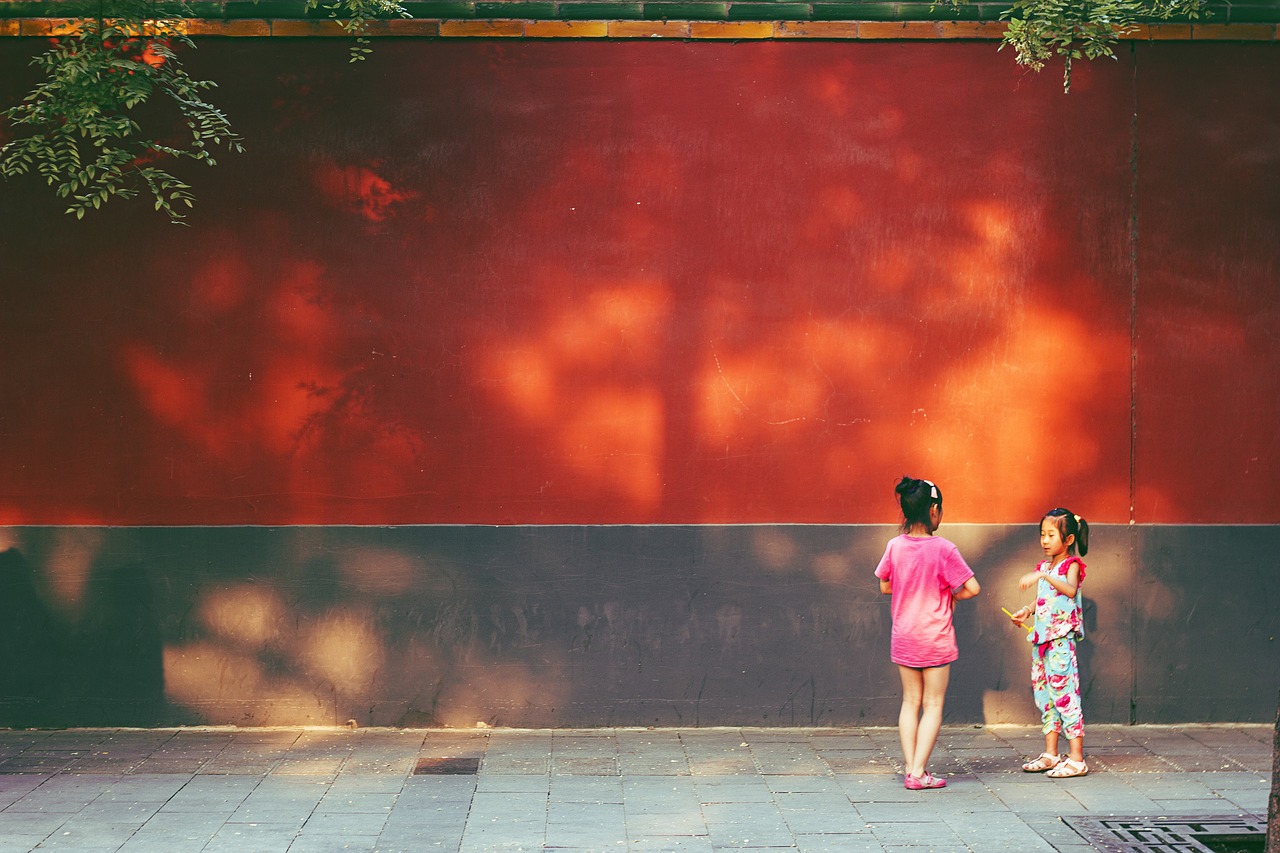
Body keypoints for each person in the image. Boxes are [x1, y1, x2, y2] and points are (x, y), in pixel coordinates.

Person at [875, 476, 981, 790]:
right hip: (935, 637)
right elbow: (972, 588)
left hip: (904, 634)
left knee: (910, 702)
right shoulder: (944, 549)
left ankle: (912, 768)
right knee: (933, 705)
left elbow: (884, 585)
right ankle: (919, 773)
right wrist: (950, 594)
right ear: (933, 510)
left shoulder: (894, 546)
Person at [1008, 508, 1089, 778]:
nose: (1044, 540)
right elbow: (1044, 598)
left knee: (1065, 695)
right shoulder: (1045, 567)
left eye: (1051, 535)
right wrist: (1027, 611)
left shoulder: (1071, 565)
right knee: (1046, 697)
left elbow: (1069, 589)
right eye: (1042, 534)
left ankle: (1076, 758)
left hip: (1060, 643)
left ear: (1067, 540)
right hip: (1042, 640)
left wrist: (1043, 577)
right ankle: (1051, 754)